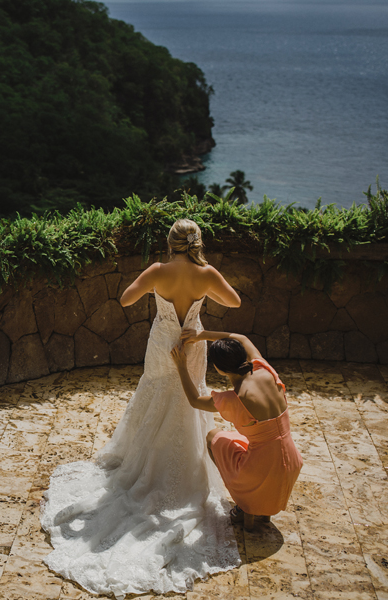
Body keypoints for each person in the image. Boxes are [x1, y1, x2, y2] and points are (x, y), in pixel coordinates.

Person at [40, 219, 243, 598]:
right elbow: (234, 301)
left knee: (155, 397)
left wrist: (154, 284)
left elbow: (126, 299)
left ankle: (145, 463)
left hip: (162, 342)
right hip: (192, 341)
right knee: (189, 399)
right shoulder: (208, 273)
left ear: (169, 243)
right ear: (197, 242)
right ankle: (184, 474)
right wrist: (199, 313)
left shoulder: (157, 271)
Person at [170, 331, 304, 531]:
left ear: (219, 369)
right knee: (247, 443)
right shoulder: (265, 370)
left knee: (213, 437)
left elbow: (194, 400)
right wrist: (201, 335)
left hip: (260, 473)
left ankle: (244, 501)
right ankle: (257, 504)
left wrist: (181, 366)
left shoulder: (235, 399)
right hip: (291, 462)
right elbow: (242, 338)